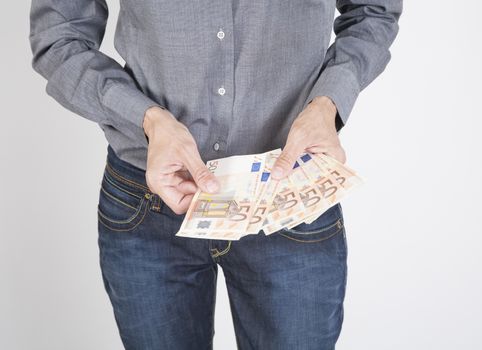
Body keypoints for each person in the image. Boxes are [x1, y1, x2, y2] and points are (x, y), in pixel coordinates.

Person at [29, 0, 402, 348]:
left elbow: (374, 10)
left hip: (288, 200)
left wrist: (329, 103)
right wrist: (147, 119)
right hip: (148, 201)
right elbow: (59, 36)